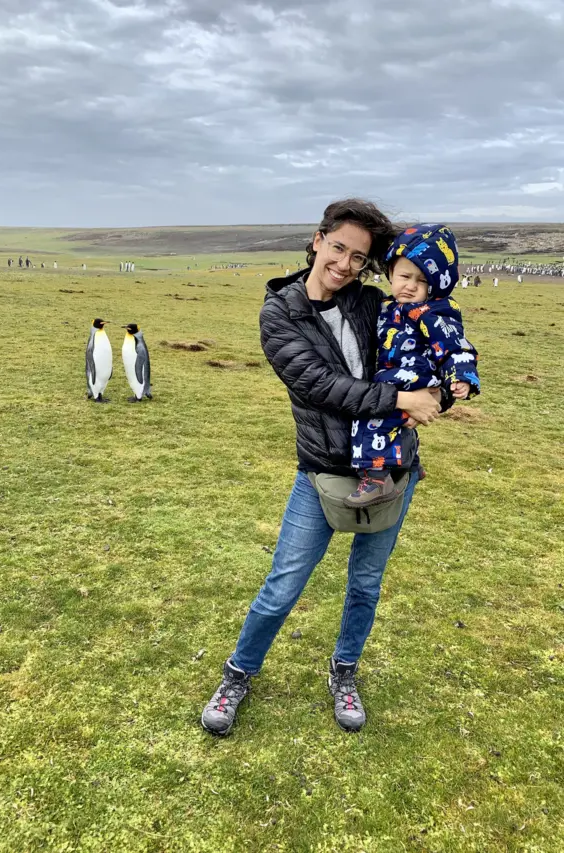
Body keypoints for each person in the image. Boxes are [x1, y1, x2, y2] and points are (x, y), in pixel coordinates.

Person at [200, 199, 446, 737]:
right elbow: (321, 387)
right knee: (284, 583)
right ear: (317, 240)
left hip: (392, 469)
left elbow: (428, 352)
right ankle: (238, 674)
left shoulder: (370, 303)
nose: (345, 264)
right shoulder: (280, 312)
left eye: (359, 257)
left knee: (365, 584)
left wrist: (443, 392)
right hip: (323, 472)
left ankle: (344, 671)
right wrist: (404, 401)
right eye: (338, 248)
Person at [345, 225, 480, 507]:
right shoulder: (385, 306)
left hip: (411, 379)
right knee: (401, 425)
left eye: (422, 281)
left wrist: (462, 377)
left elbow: (456, 345)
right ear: (391, 274)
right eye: (405, 276)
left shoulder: (434, 312)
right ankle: (412, 465)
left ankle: (376, 478)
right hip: (392, 377)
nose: (411, 286)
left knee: (372, 422)